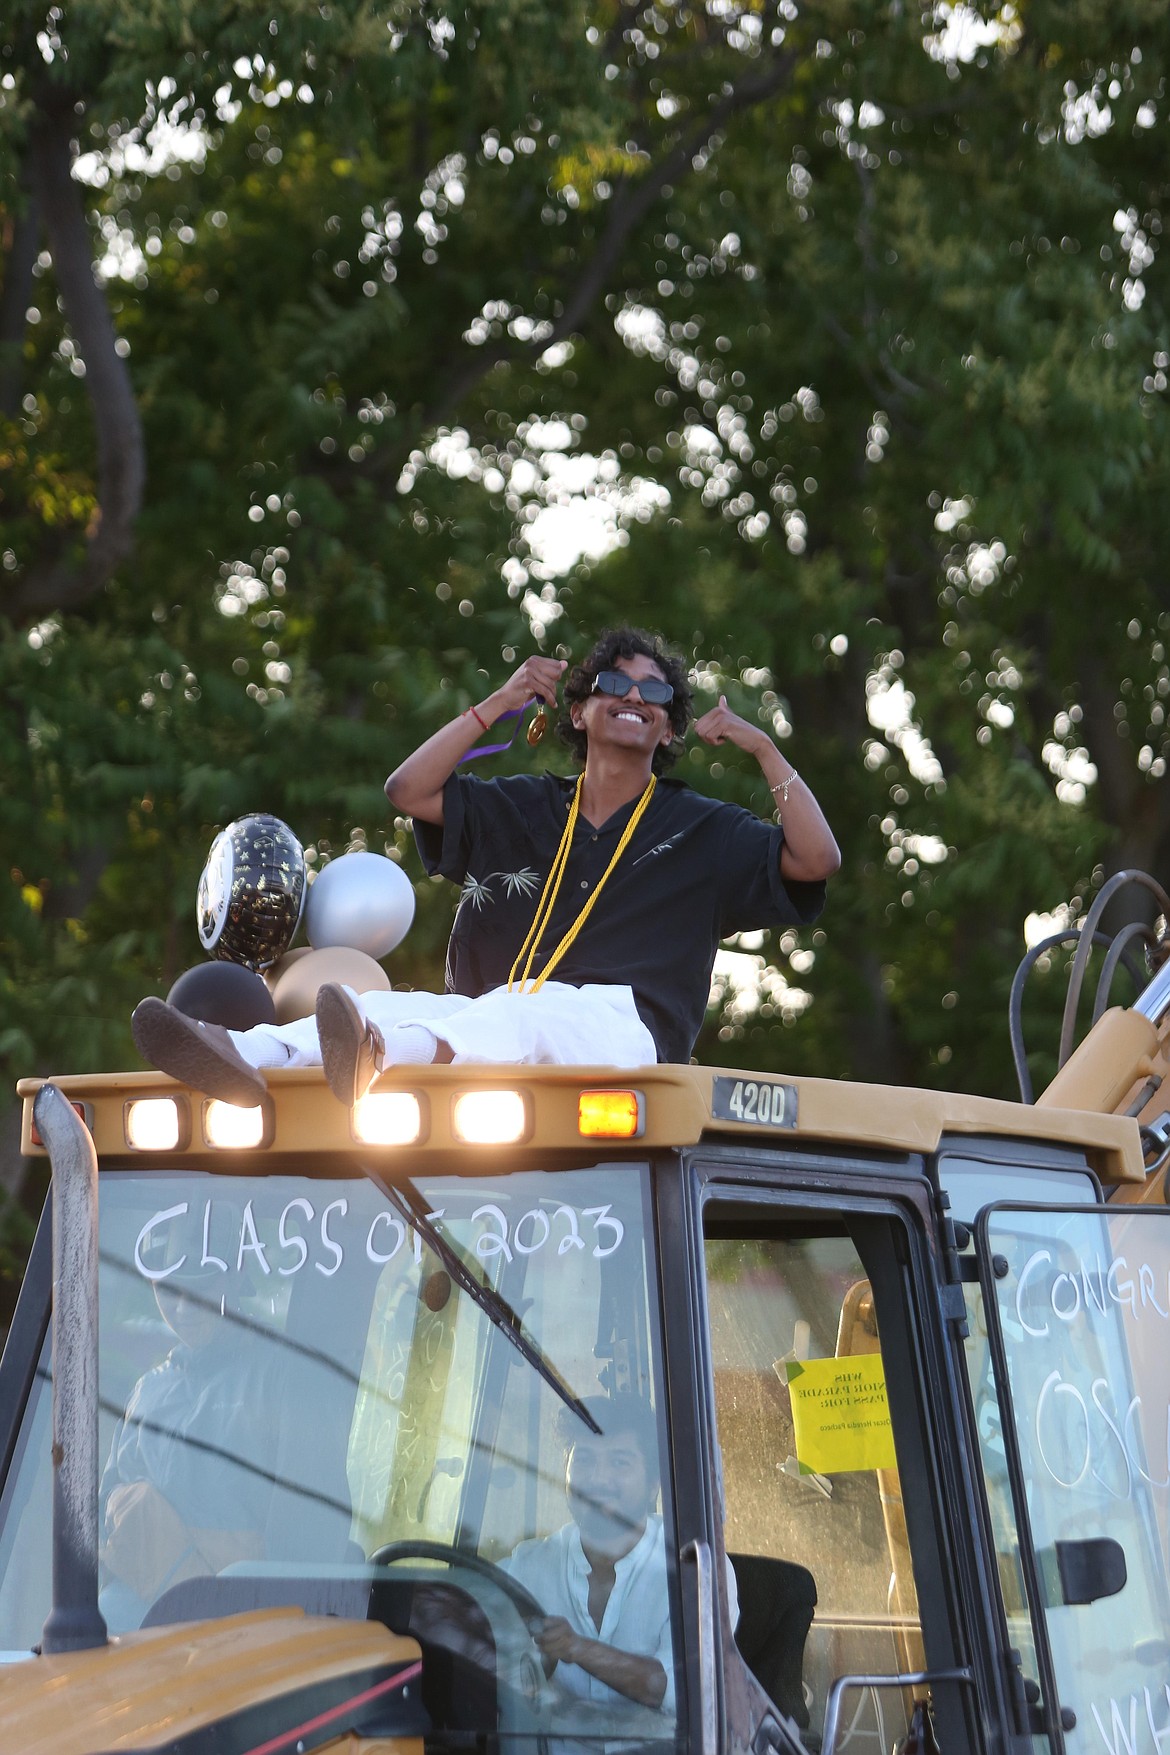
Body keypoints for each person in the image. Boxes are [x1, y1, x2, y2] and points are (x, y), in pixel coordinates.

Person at [131, 627, 839, 1104]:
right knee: (384, 1001)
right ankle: (239, 1054)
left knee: (522, 1012)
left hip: (627, 1034)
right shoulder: (528, 805)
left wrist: (765, 751)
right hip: (500, 1020)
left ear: (671, 726)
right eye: (613, 685)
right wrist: (498, 702)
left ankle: (376, 1053)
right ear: (579, 708)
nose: (633, 698)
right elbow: (408, 790)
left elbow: (815, 858)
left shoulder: (704, 827)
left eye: (654, 693)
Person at [501, 1396, 674, 1712]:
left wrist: (576, 1648)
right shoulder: (528, 1566)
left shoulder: (692, 1569)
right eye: (584, 1461)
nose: (598, 1479)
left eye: (619, 1462)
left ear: (653, 1486)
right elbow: (474, 1631)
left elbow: (679, 1691)